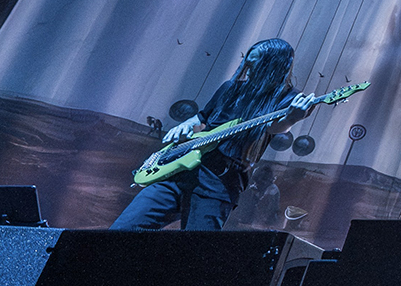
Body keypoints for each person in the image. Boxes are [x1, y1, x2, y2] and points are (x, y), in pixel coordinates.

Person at [113, 39, 312, 231]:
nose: (249, 70)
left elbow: (274, 128)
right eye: (247, 64)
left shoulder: (289, 97)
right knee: (123, 230)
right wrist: (185, 125)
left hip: (218, 183)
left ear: (273, 66)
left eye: (255, 66)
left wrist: (291, 119)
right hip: (179, 170)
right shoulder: (230, 87)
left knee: (196, 249)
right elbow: (202, 117)